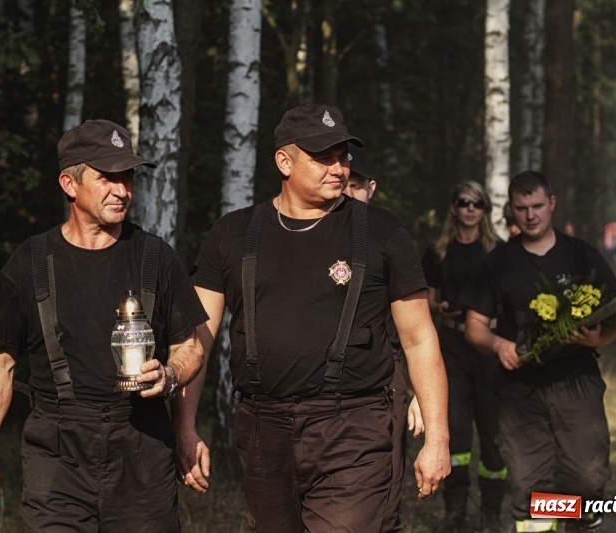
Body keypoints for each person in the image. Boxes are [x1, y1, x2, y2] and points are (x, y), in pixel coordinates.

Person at [184, 103, 451, 532]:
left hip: (354, 427)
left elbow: (420, 338)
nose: (338, 167)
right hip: (262, 427)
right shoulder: (231, 234)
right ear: (284, 162)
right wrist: (184, 426)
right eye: (322, 156)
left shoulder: (383, 232)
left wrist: (438, 438)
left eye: (342, 156)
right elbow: (196, 339)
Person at [0, 119, 209, 532]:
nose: (122, 190)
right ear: (69, 183)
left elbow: (192, 345)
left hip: (142, 448)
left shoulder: (155, 258)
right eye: (107, 178)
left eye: (128, 177)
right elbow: (0, 364)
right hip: (57, 454)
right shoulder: (31, 263)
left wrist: (169, 375)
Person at [462, 170, 616, 533]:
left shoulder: (582, 255)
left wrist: (596, 339)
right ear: (511, 211)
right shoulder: (497, 262)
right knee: (531, 486)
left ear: (552, 204)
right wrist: (498, 343)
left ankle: (577, 521)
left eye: (537, 206)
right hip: (519, 391)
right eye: (522, 208)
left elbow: (615, 321)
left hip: (576, 382)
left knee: (585, 475)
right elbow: (474, 328)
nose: (531, 215)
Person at [342, 144, 422, 533]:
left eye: (356, 186)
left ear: (370, 188)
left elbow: (415, 332)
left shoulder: (389, 238)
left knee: (385, 496)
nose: (348, 193)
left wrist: (418, 393)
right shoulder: (302, 235)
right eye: (343, 184)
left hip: (384, 377)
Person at [422, 181, 506, 533]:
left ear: (485, 210)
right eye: (463, 202)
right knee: (455, 432)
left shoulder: (499, 251)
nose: (470, 209)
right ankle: (454, 509)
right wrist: (438, 307)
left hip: (487, 349)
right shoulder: (437, 252)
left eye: (477, 204)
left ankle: (490, 513)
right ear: (453, 208)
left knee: (491, 432)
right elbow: (423, 298)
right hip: (451, 348)